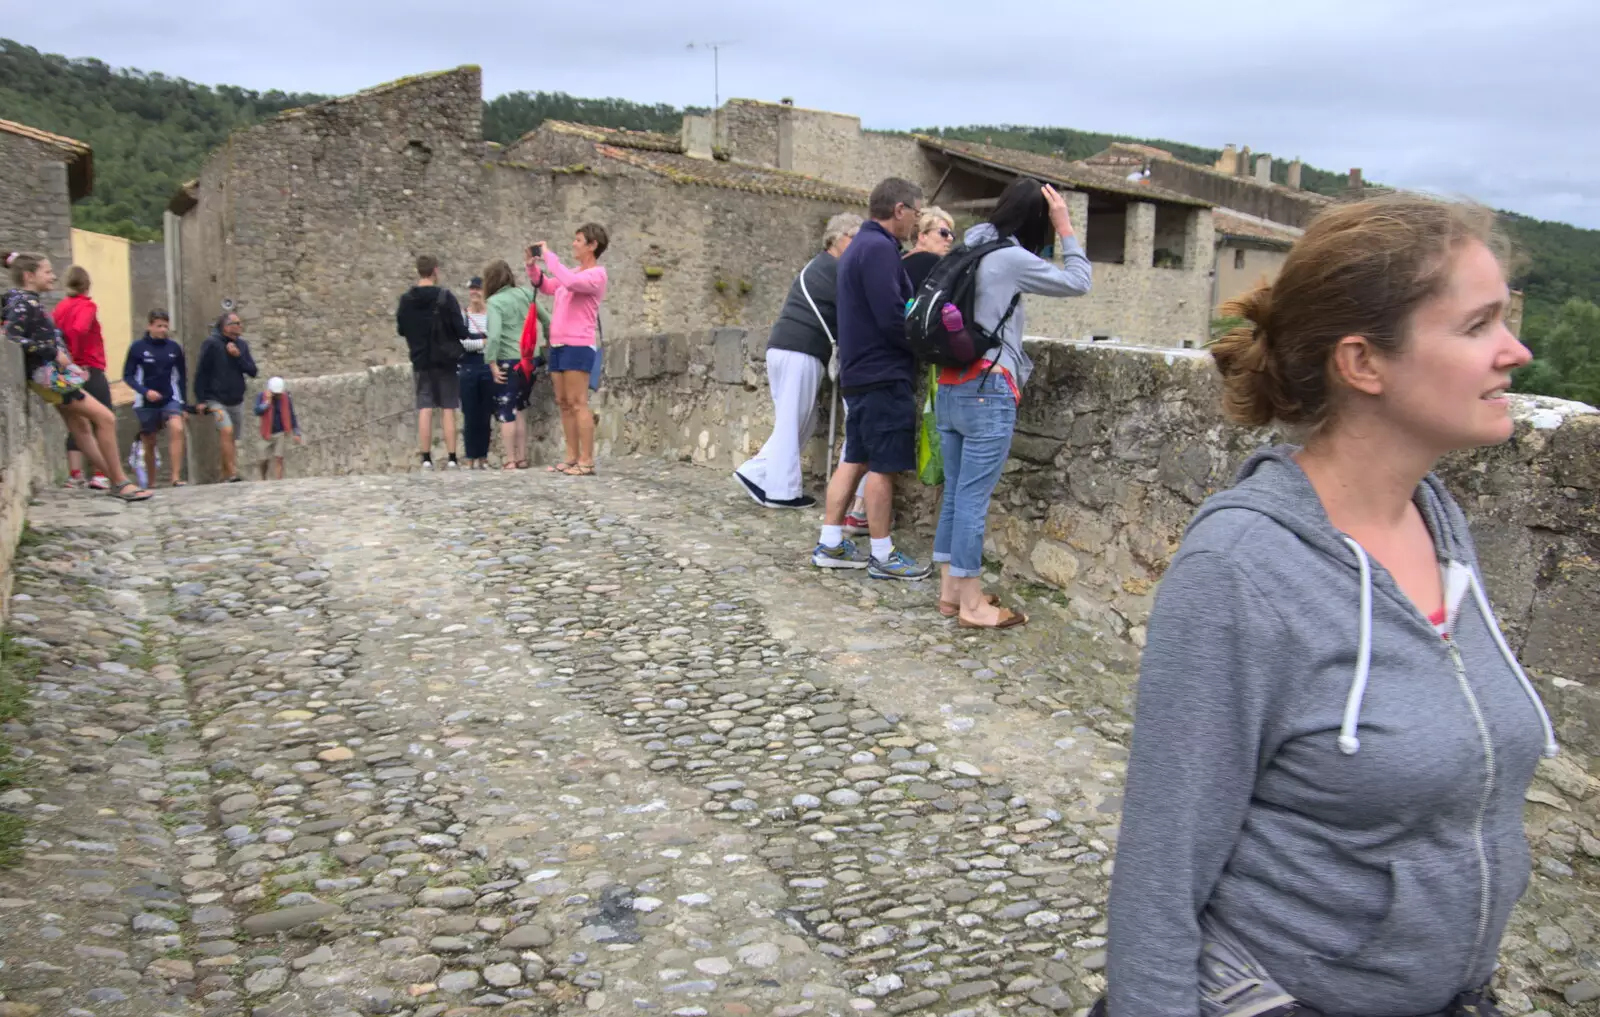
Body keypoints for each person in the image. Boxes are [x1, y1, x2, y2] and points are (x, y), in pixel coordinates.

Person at [1104, 195, 1560, 1017]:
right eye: (1477, 325)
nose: (1516, 351)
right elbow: (1159, 878)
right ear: (1363, 362)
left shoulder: (1437, 522)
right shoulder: (1239, 567)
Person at [933, 179, 1090, 628]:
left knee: (954, 495)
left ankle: (950, 594)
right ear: (1036, 219)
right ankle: (973, 606)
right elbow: (1079, 282)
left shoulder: (968, 247)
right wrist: (1065, 227)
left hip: (949, 386)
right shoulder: (1010, 257)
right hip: (987, 389)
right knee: (972, 501)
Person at [811, 177, 928, 580]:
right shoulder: (879, 248)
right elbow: (892, 315)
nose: (917, 220)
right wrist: (923, 347)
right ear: (899, 210)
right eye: (916, 211)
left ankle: (830, 543)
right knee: (882, 464)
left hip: (859, 372)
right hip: (883, 372)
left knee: (856, 457)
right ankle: (882, 553)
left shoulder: (859, 245)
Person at [734, 211, 862, 509]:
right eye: (853, 238)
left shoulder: (819, 266)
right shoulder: (835, 269)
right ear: (836, 238)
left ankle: (757, 472)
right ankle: (782, 492)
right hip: (800, 349)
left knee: (800, 421)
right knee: (794, 420)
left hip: (786, 347)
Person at [4, 253, 150, 502]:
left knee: (81, 427)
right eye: (47, 272)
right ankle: (119, 481)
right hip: (50, 377)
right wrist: (53, 352)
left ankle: (114, 479)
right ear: (29, 276)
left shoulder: (26, 301)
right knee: (105, 418)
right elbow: (11, 338)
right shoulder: (24, 303)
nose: (53, 276)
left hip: (50, 375)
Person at [530, 225, 609, 476]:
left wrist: (549, 256)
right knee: (564, 403)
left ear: (592, 245)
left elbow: (570, 282)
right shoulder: (571, 272)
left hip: (578, 344)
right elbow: (546, 286)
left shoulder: (596, 275)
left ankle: (587, 460)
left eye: (578, 240)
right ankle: (571, 457)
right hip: (558, 345)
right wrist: (532, 266)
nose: (573, 244)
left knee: (578, 402)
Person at [396, 254, 468, 470]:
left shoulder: (406, 300)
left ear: (418, 270)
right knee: (448, 407)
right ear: (435, 270)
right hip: (445, 359)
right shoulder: (446, 297)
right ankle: (452, 457)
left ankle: (426, 458)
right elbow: (461, 331)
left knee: (425, 407)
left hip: (421, 359)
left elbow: (401, 329)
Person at [51, 266, 113, 489]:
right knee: (103, 418)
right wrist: (76, 360)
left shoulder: (60, 307)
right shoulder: (87, 306)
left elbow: (56, 333)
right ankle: (101, 474)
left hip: (66, 370)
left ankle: (75, 473)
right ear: (87, 285)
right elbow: (78, 330)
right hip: (88, 367)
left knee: (77, 421)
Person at [123, 308, 189, 488]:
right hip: (145, 401)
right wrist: (145, 392)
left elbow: (181, 377)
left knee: (177, 428)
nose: (162, 330)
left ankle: (175, 477)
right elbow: (127, 376)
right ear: (150, 326)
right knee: (150, 441)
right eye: (159, 326)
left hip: (170, 398)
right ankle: (151, 482)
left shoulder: (174, 348)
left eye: (165, 326)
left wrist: (183, 405)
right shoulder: (138, 348)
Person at [481, 259, 536, 470]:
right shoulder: (525, 294)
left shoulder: (495, 302)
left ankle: (510, 459)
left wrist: (491, 363)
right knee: (520, 407)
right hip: (529, 359)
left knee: (506, 410)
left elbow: (493, 336)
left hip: (508, 360)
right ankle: (522, 457)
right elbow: (546, 318)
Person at [193, 310, 258, 483]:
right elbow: (202, 372)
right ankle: (232, 472)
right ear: (226, 327)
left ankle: (225, 473)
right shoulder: (211, 344)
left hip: (236, 399)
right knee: (226, 430)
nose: (240, 326)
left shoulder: (242, 346)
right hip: (216, 399)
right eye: (236, 323)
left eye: (240, 323)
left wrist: (238, 357)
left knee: (232, 437)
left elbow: (252, 371)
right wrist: (200, 399)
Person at [458, 276, 494, 469]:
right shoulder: (464, 316)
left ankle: (483, 455)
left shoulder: (490, 315)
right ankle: (471, 456)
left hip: (487, 366)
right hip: (469, 368)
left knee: (485, 413)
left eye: (478, 289)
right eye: (472, 289)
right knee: (469, 413)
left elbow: (494, 343)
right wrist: (483, 343)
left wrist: (480, 346)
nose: (475, 293)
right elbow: (463, 343)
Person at [253, 375, 302, 480]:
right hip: (266, 433)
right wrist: (267, 403)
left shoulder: (286, 398)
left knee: (279, 458)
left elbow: (291, 415)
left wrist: (296, 432)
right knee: (263, 459)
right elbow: (257, 411)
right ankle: (263, 478)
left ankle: (278, 482)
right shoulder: (262, 396)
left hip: (280, 432)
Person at [902, 206, 956, 293]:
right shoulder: (931, 260)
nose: (950, 238)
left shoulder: (902, 256)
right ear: (923, 236)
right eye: (944, 233)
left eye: (952, 234)